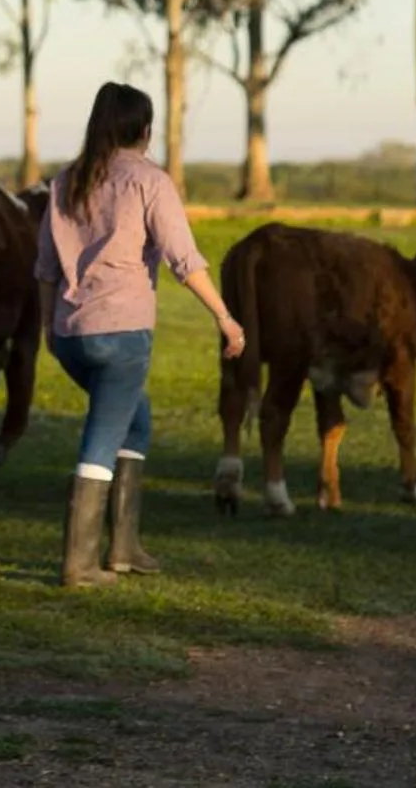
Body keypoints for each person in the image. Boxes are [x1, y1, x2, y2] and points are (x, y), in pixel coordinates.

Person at [35, 81, 244, 588]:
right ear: (145, 130)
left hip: (70, 335)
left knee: (136, 423)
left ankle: (125, 547)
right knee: (103, 438)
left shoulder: (66, 181)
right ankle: (79, 564)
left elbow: (44, 267)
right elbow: (183, 259)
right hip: (122, 333)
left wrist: (49, 328)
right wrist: (224, 315)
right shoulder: (149, 180)